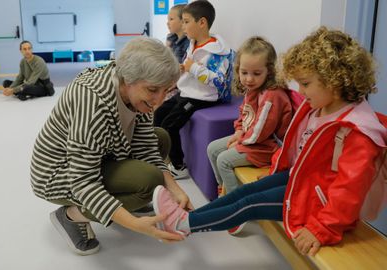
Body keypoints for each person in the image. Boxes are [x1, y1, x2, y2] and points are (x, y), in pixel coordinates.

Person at [152, 27, 386, 256]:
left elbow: (349, 192)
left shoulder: (357, 132)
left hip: (319, 205)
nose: (301, 92)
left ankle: (183, 224)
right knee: (245, 192)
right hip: (303, 181)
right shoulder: (317, 108)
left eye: (305, 84)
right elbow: (298, 150)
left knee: (248, 205)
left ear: (335, 82)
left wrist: (322, 228)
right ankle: (187, 218)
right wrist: (276, 171)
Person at [30, 37, 193, 256]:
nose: (160, 101)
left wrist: (176, 190)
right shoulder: (93, 101)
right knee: (149, 180)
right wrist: (135, 224)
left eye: (166, 91)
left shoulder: (136, 92)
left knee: (160, 137)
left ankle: (123, 202)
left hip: (101, 157)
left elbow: (146, 147)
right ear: (128, 79)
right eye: (153, 90)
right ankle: (70, 215)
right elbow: (83, 181)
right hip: (59, 173)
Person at [154, 0, 234, 179]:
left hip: (203, 97)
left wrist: (193, 68)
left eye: (186, 21)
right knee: (158, 114)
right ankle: (160, 158)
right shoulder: (193, 44)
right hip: (187, 92)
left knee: (169, 125)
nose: (183, 26)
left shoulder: (218, 52)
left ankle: (179, 166)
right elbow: (191, 68)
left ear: (202, 23)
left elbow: (220, 82)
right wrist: (185, 70)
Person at [207, 37, 293, 199]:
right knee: (212, 148)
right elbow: (244, 114)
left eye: (256, 73)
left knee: (224, 160)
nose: (249, 79)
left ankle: (233, 203)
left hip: (267, 148)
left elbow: (260, 132)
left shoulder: (271, 96)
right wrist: (238, 131)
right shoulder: (253, 89)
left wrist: (239, 142)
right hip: (253, 142)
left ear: (269, 71)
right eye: (244, 72)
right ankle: (223, 189)